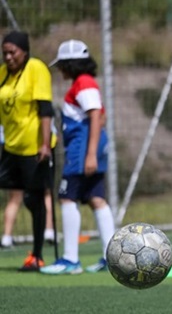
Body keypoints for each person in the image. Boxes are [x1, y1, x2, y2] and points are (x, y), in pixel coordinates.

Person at [40, 39, 115, 275]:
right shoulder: (86, 83)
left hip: (82, 149)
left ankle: (70, 259)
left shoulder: (83, 84)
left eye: (62, 64)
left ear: (70, 64)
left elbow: (95, 116)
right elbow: (101, 116)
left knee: (67, 197)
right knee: (95, 198)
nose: (60, 69)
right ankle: (111, 257)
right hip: (87, 146)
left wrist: (89, 153)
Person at [0, 31, 55, 271]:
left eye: (13, 52)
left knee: (34, 199)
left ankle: (38, 255)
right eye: (5, 53)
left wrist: (45, 144)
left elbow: (45, 109)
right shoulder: (2, 75)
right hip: (11, 147)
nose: (9, 57)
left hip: (34, 149)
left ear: (24, 51)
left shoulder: (36, 69)